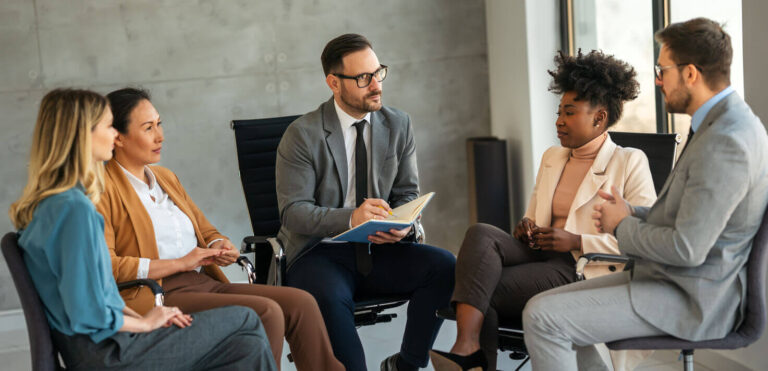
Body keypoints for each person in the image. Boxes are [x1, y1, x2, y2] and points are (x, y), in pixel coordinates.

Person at [521, 17, 768, 371]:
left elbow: (687, 248)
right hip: (671, 282)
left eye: (663, 69)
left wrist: (622, 225)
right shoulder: (720, 125)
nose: (658, 79)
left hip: (692, 299)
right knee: (545, 307)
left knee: (544, 317)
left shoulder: (726, 141)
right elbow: (688, 218)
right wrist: (633, 213)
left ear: (691, 74)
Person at [8, 88, 275, 370]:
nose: (115, 135)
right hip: (110, 352)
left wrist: (147, 318)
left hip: (97, 346)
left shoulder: (49, 204)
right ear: (82, 134)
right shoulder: (76, 209)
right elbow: (84, 311)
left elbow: (95, 293)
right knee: (245, 319)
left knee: (245, 342)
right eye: (109, 125)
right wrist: (146, 323)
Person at [429, 50, 656, 371]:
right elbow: (535, 218)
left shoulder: (630, 162)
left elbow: (642, 240)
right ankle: (467, 352)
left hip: (580, 266)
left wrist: (576, 241)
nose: (559, 121)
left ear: (599, 118)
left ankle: (469, 355)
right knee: (480, 232)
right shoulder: (554, 156)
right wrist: (527, 227)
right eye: (559, 111)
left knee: (485, 288)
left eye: (569, 112)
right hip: (540, 256)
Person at [97, 88, 343, 371]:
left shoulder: (165, 178)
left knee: (302, 304)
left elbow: (207, 230)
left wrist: (218, 245)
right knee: (267, 312)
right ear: (119, 137)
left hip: (203, 282)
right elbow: (109, 266)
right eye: (148, 128)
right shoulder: (103, 190)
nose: (160, 136)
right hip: (158, 294)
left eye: (159, 124)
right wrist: (178, 263)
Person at [275, 33, 456, 371]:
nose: (376, 85)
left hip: (379, 249)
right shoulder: (302, 134)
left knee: (445, 266)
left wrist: (402, 225)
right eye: (362, 78)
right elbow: (293, 212)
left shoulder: (398, 124)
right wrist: (351, 219)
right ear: (334, 83)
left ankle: (406, 364)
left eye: (378, 73)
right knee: (350, 362)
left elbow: (406, 193)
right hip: (319, 254)